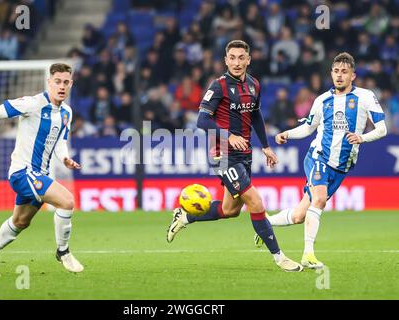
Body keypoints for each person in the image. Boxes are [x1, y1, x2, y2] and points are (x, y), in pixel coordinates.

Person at [166, 40, 303, 272]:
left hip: (245, 153)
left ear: (248, 60)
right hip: (223, 154)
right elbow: (202, 120)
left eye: (241, 57)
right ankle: (279, 257)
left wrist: (265, 145)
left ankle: (185, 216)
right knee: (256, 202)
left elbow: (256, 115)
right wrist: (228, 136)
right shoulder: (218, 86)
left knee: (230, 210)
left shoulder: (254, 85)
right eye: (232, 57)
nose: (237, 62)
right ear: (226, 60)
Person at [255, 52, 387, 268]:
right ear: (331, 73)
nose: (340, 76)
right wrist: (287, 133)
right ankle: (308, 255)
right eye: (336, 71)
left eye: (345, 72)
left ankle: (263, 224)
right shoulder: (322, 100)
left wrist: (362, 137)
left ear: (353, 75)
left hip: (341, 166)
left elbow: (382, 129)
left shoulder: (365, 97)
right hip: (319, 156)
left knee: (299, 215)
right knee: (320, 200)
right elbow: (308, 127)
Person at [0, 63, 84, 277]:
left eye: (66, 82)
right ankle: (63, 251)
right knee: (67, 201)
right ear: (49, 82)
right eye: (57, 81)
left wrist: (65, 158)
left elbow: (59, 142)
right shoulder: (34, 103)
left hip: (41, 175)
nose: (61, 86)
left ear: (71, 84)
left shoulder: (67, 112)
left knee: (21, 221)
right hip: (23, 172)